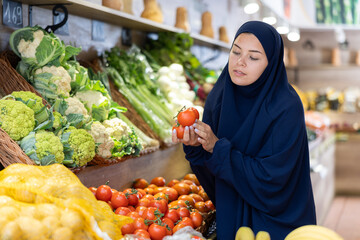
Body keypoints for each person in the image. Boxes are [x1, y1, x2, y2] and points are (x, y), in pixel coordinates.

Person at [172, 21, 316, 240]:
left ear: (271, 64)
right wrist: (197, 148)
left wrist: (217, 147)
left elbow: (274, 182)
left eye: (253, 57)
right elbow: (216, 178)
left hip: (277, 224)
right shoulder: (219, 98)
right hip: (232, 217)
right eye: (236, 52)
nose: (240, 62)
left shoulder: (285, 106)